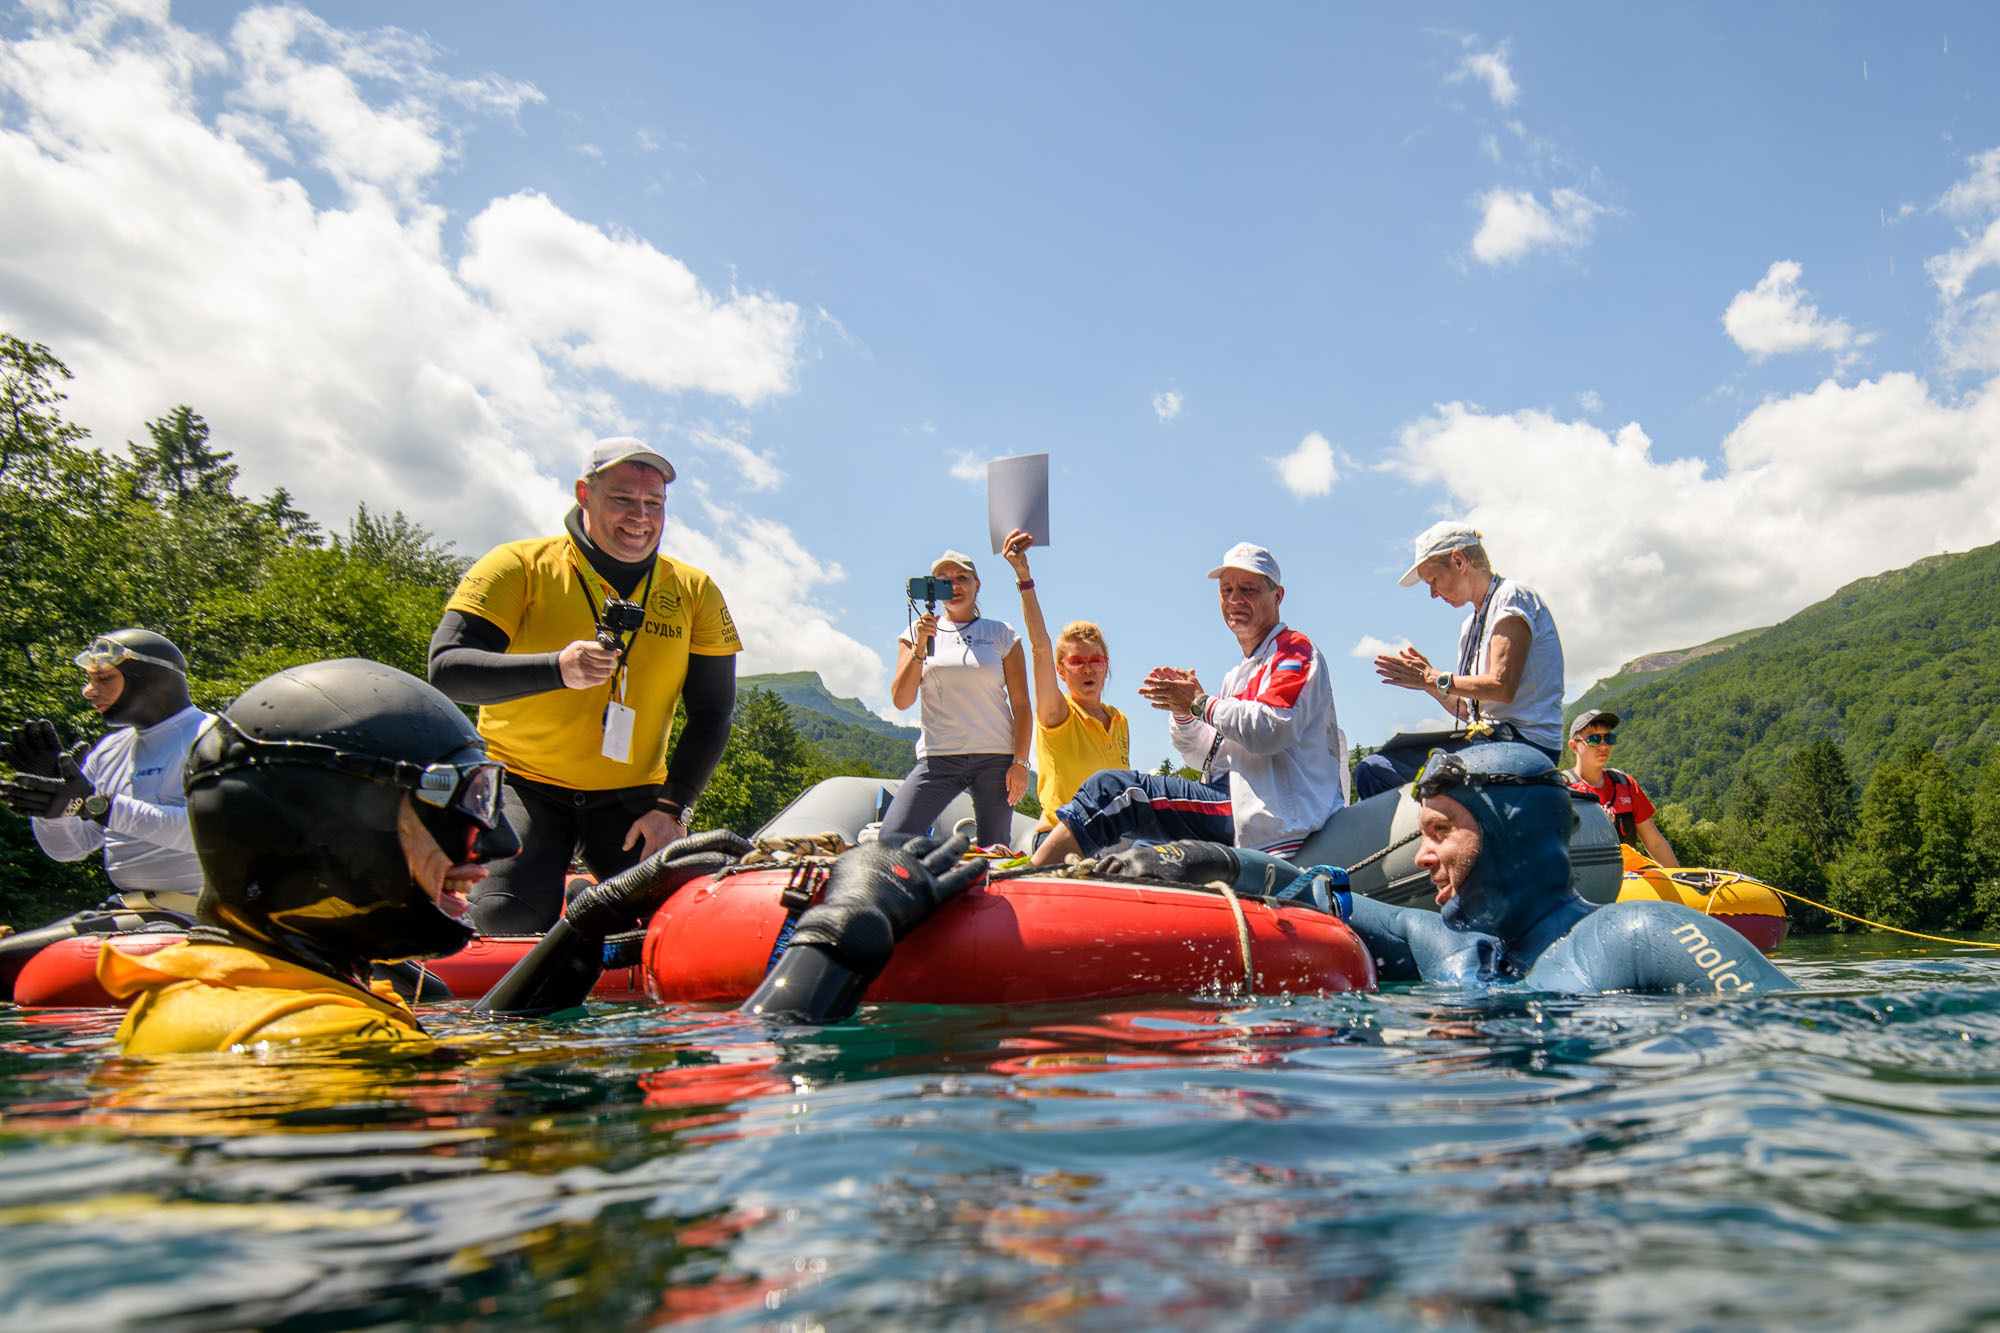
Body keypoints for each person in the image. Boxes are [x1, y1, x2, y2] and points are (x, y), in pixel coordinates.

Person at [99, 658, 988, 1052]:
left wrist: (588, 920)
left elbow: (485, 1048)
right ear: (328, 823)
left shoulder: (262, 993)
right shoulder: (296, 1049)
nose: (497, 840)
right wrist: (837, 941)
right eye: (456, 802)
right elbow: (735, 1090)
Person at [1095, 744, 1793, 995]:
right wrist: (1200, 858)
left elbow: (1782, 1039)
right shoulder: (1452, 946)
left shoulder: (1639, 934)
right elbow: (1319, 893)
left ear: (1510, 834)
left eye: (1440, 831)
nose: (1423, 855)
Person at [429, 438, 740, 934]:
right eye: (622, 499)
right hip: (522, 787)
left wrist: (673, 809)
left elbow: (713, 712)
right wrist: (556, 669)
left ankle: (583, 895)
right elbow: (448, 669)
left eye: (654, 504)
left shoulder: (695, 590)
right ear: (584, 494)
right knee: (508, 918)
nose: (640, 516)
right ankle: (565, 895)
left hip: (633, 798)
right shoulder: (517, 564)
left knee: (674, 923)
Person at [1031, 542, 1346, 867]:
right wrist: (1184, 713)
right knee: (1137, 841)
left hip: (1271, 816)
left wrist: (1199, 704)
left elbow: (1272, 728)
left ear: (1277, 596)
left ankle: (1029, 880)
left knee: (1114, 790)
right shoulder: (1238, 674)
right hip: (1241, 805)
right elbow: (1206, 758)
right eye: (1226, 590)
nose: (1235, 599)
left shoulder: (1294, 651)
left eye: (1248, 589)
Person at [1355, 521, 1565, 799]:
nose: (1432, 593)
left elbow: (1502, 687)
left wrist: (1434, 677)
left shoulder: (1512, 596)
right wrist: (1429, 685)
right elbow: (1469, 712)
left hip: (1526, 745)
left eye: (1433, 580)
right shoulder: (1470, 626)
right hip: (1488, 740)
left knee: (1380, 770)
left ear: (1458, 560)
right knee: (1374, 768)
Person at [0, 629, 212, 896]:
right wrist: (53, 810)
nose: (88, 691)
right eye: (90, 680)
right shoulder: (109, 750)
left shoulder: (213, 738)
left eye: (104, 679)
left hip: (205, 915)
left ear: (155, 680)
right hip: (130, 911)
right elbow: (71, 850)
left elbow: (211, 833)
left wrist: (95, 805)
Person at [882, 549, 1032, 849]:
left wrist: (1020, 763)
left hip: (994, 758)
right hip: (939, 757)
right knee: (891, 839)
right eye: (944, 580)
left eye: (962, 578)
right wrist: (920, 646)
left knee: (995, 848)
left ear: (977, 585)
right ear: (933, 589)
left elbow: (1022, 704)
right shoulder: (915, 632)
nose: (955, 586)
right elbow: (901, 700)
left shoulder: (1001, 634)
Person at [998, 528, 1129, 842]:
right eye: (1076, 661)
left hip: (1113, 839)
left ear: (1106, 665)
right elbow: (1040, 648)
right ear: (1061, 671)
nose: (1088, 668)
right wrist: (1024, 579)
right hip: (1061, 837)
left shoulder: (1121, 721)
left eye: (1095, 660)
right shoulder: (1057, 714)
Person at [1564, 709, 1680, 867]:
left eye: (1609, 738)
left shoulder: (1625, 784)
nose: (1604, 746)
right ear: (1574, 746)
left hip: (1630, 885)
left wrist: (1680, 879)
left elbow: (1655, 843)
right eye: (1594, 739)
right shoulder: (1561, 789)